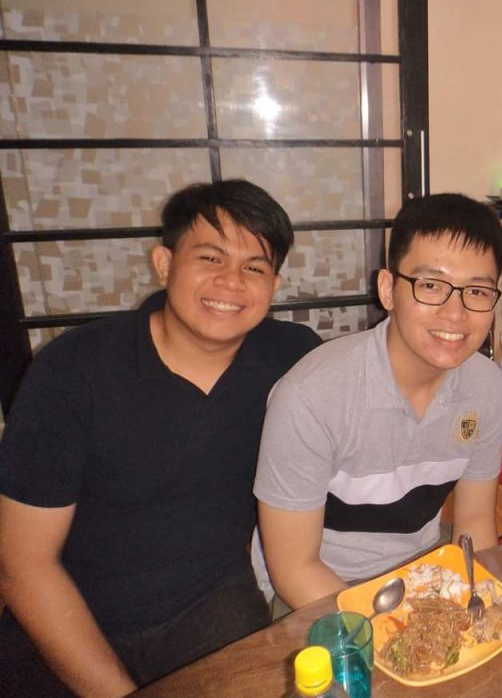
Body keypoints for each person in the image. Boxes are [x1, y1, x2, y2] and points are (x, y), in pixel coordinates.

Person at [0, 180, 321, 697]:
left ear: (274, 284)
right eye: (210, 258)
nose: (230, 282)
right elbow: (23, 565)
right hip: (74, 612)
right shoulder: (74, 371)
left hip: (212, 601)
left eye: (254, 268)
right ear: (164, 263)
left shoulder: (292, 358)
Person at [253, 193, 502, 609]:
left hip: (424, 571)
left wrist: (480, 606)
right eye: (431, 286)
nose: (455, 313)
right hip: (320, 594)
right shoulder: (311, 396)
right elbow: (295, 569)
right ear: (387, 289)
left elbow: (474, 523)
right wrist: (393, 628)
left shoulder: (486, 386)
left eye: (477, 291)